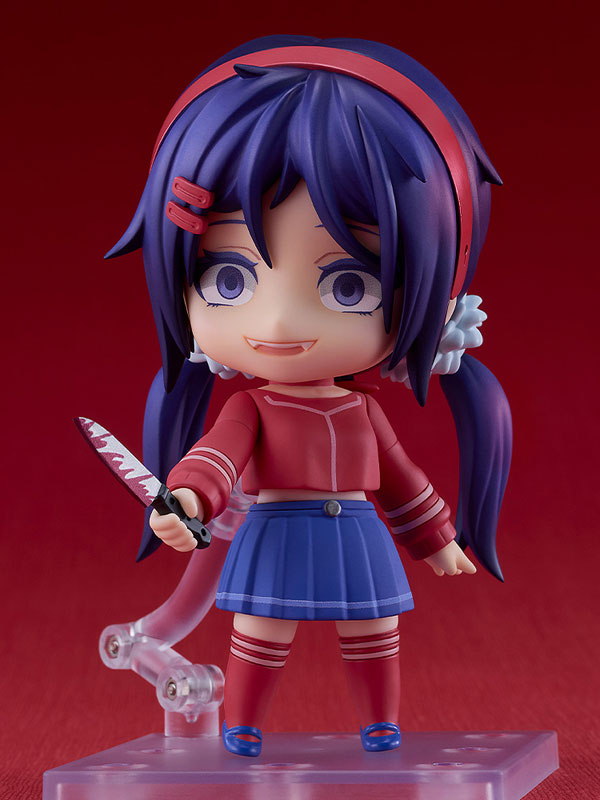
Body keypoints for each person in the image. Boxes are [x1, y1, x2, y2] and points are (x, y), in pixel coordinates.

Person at [107, 36, 512, 757]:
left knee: (374, 630)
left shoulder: (363, 411)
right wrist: (188, 500)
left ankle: (380, 722)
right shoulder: (251, 407)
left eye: (347, 285)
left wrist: (438, 540)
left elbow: (400, 479)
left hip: (356, 531)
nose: (278, 324)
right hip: (276, 528)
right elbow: (216, 458)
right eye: (228, 279)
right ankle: (241, 723)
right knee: (261, 631)